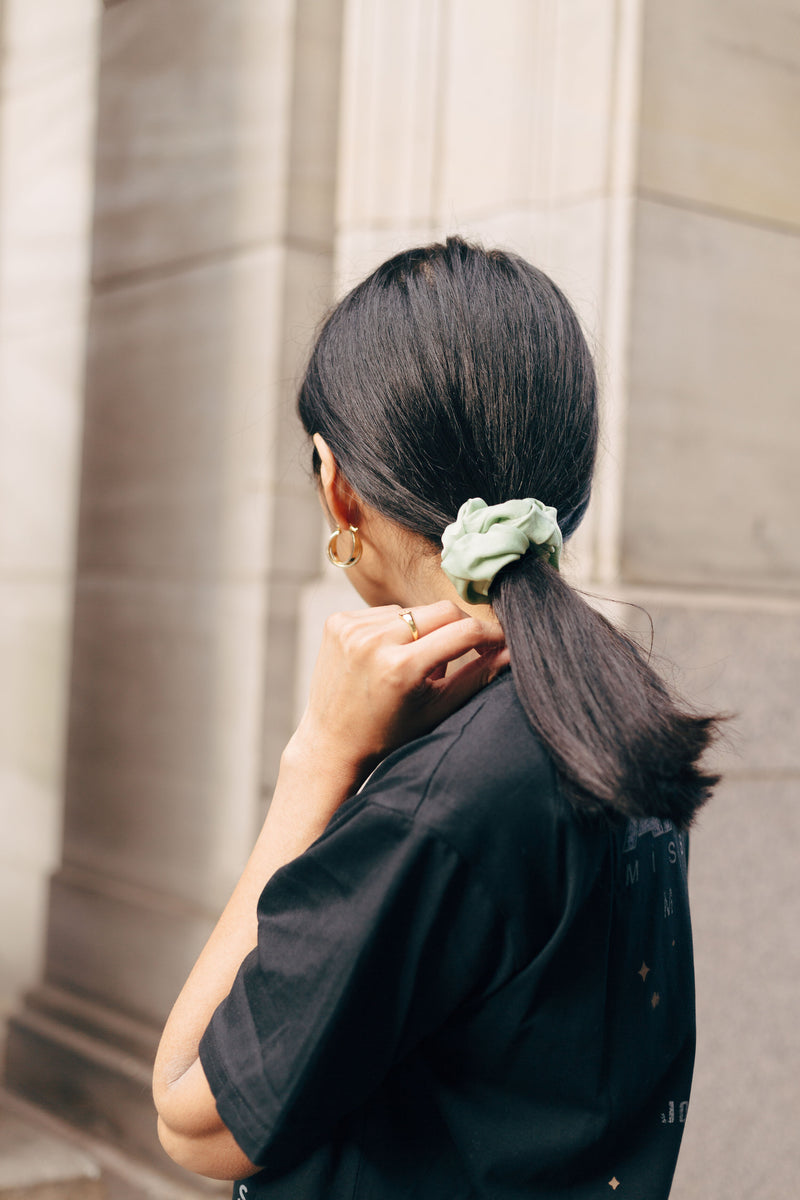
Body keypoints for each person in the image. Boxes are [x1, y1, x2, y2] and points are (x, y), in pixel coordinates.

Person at [153, 238, 719, 1198]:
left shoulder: (450, 797)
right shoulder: (610, 705)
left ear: (339, 487)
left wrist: (320, 756)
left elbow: (190, 1113)